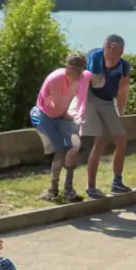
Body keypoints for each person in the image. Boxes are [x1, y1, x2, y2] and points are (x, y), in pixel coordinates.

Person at [31, 53, 94, 203]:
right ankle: (53, 190)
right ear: (67, 68)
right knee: (60, 150)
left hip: (63, 114)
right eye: (72, 72)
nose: (76, 76)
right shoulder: (56, 79)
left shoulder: (82, 78)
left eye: (79, 73)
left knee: (72, 148)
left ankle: (69, 190)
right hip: (46, 115)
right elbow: (58, 106)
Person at [82, 34, 133, 198]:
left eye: (121, 53)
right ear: (107, 47)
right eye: (115, 52)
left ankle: (117, 182)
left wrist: (121, 110)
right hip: (90, 99)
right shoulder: (95, 56)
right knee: (101, 139)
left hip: (106, 102)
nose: (118, 57)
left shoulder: (124, 65)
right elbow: (96, 82)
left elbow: (123, 88)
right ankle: (91, 187)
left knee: (121, 138)